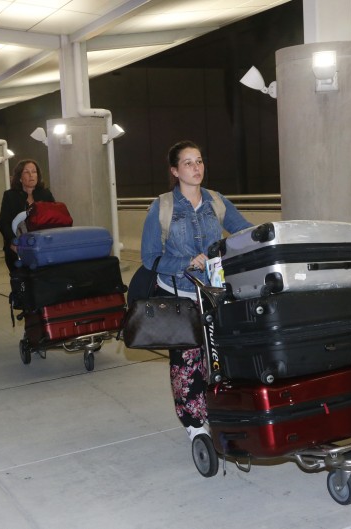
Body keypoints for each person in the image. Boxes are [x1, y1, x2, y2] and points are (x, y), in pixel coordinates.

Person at [140, 140, 253, 441]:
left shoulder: (216, 201)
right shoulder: (163, 206)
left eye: (199, 161)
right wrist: (186, 261)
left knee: (219, 354)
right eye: (188, 163)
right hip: (180, 295)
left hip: (214, 293)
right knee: (188, 360)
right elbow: (150, 258)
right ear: (175, 170)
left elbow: (244, 232)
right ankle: (193, 422)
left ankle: (219, 409)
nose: (196, 167)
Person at [0, 159, 55, 272]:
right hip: (17, 245)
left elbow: (54, 219)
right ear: (20, 177)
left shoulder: (46, 194)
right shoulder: (10, 195)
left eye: (34, 172)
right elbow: (3, 223)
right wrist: (13, 242)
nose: (31, 175)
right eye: (26, 172)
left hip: (42, 244)